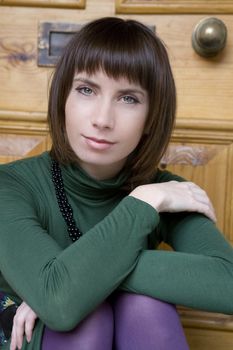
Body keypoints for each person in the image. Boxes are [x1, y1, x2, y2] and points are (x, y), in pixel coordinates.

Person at [0, 17, 233, 350]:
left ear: (152, 116)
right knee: (85, 320)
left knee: (147, 307)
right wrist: (58, 290)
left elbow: (228, 282)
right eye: (86, 90)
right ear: (63, 97)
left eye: (129, 99)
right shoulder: (10, 185)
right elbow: (60, 304)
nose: (102, 119)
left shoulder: (165, 194)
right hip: (34, 339)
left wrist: (69, 280)